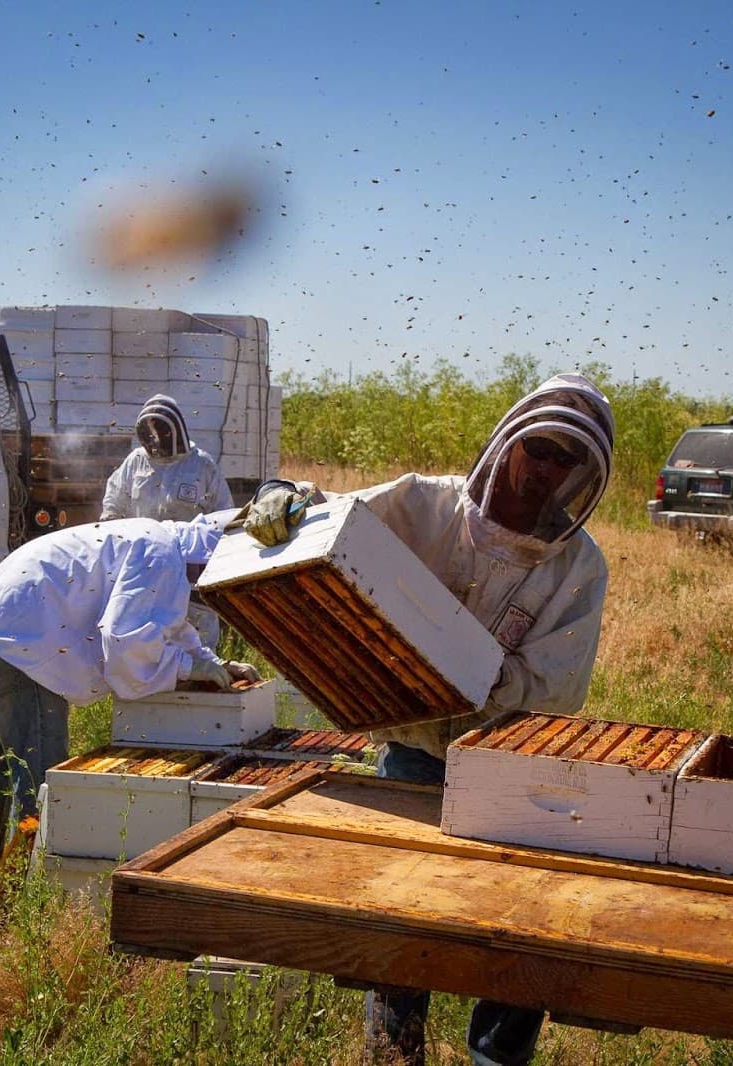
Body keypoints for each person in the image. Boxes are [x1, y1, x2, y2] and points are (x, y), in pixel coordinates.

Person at [244, 372, 614, 1066]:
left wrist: (473, 669)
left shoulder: (578, 567)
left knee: (515, 924)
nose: (546, 469)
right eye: (538, 448)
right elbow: (331, 519)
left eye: (565, 459)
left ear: (583, 475)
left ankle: (494, 1060)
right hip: (413, 749)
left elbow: (557, 685)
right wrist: (283, 494)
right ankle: (395, 1052)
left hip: (508, 764)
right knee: (400, 911)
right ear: (508, 442)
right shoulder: (423, 504)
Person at [0, 512, 257, 892]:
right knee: (40, 783)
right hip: (23, 641)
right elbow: (123, 642)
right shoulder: (161, 558)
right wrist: (187, 666)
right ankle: (18, 897)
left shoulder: (161, 544)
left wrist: (213, 663)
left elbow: (166, 624)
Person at [101, 393, 235, 647]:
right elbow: (114, 504)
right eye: (151, 432)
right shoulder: (135, 462)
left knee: (196, 638)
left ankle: (202, 668)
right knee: (146, 635)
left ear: (176, 431)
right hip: (144, 563)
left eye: (161, 431)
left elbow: (223, 517)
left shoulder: (201, 465)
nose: (157, 439)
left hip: (189, 566)